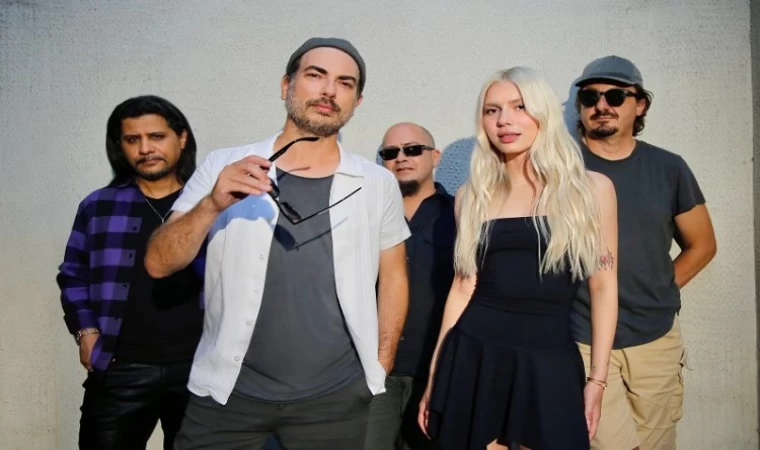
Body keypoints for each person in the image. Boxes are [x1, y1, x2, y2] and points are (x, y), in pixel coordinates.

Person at [144, 37, 410, 450]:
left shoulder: (377, 183)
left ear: (357, 101)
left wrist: (382, 361)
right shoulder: (223, 165)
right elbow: (159, 263)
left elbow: (393, 276)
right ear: (286, 85)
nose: (328, 90)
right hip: (227, 394)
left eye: (345, 83)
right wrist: (212, 204)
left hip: (335, 399)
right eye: (315, 75)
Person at [417, 67, 619, 450]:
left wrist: (597, 379)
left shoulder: (591, 190)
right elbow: (462, 287)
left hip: (549, 361)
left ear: (543, 113)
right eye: (492, 110)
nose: (504, 120)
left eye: (519, 106)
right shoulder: (471, 196)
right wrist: (434, 376)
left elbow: (604, 286)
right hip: (474, 354)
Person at [570, 55, 717, 450]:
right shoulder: (561, 169)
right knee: (603, 441)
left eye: (616, 96)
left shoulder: (668, 168)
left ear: (640, 104)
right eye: (590, 97)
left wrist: (660, 289)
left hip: (655, 336)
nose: (602, 105)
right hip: (583, 336)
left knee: (656, 441)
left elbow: (702, 244)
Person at [56, 95, 205, 449]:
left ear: (181, 138)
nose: (145, 148)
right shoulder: (99, 206)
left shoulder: (210, 205)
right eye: (132, 139)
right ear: (120, 146)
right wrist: (86, 331)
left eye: (156, 136)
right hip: (120, 366)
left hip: (200, 367)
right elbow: (73, 273)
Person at [365, 122, 456, 450]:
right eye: (390, 153)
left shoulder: (460, 215)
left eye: (413, 149)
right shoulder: (367, 217)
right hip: (376, 372)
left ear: (435, 156)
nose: (401, 158)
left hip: (438, 372)